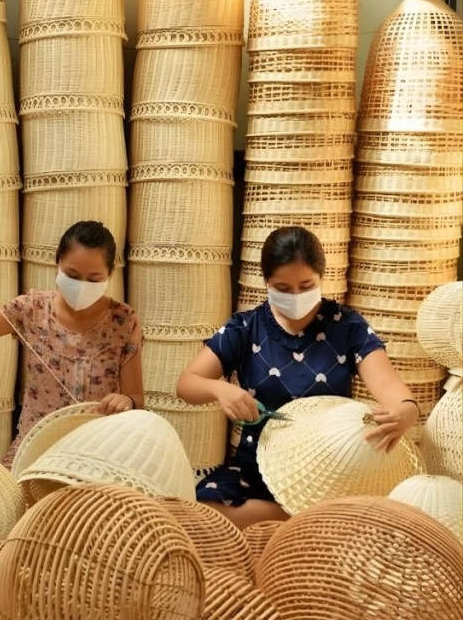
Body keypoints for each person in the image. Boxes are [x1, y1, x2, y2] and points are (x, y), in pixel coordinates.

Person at [176, 226, 419, 529]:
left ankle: (312, 518)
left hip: (330, 474)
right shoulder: (245, 328)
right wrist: (218, 389)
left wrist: (407, 409)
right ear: (265, 281)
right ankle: (313, 521)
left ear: (321, 277)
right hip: (257, 469)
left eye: (306, 286)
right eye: (283, 288)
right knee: (204, 510)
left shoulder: (348, 326)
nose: (296, 297)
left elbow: (388, 385)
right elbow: (187, 384)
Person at [0, 221, 144, 465]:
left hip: (97, 451)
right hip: (36, 447)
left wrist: (127, 401)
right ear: (57, 263)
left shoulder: (123, 321)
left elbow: (136, 398)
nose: (82, 285)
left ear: (110, 274)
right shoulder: (32, 309)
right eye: (72, 275)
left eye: (93, 279)